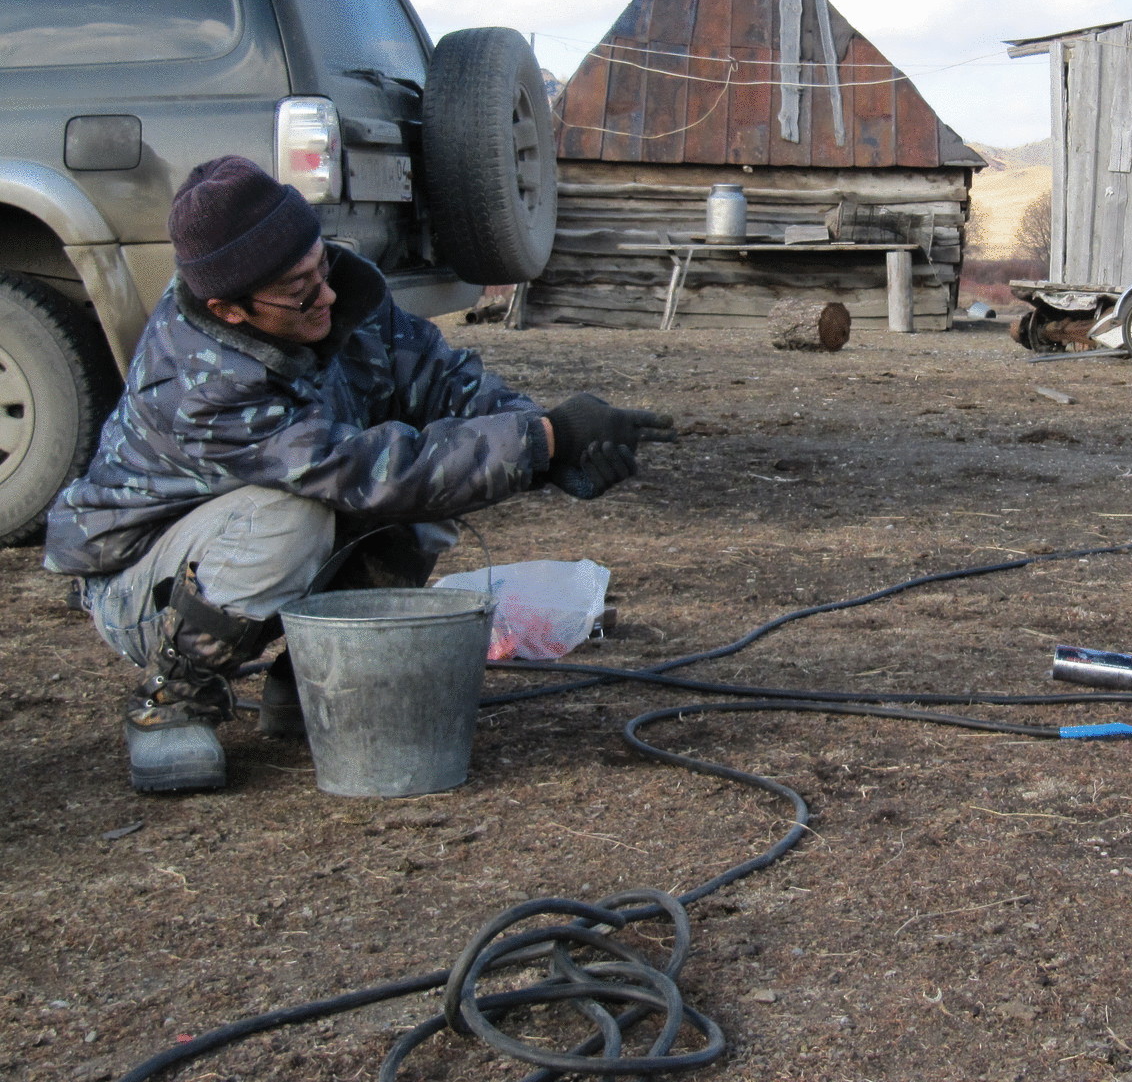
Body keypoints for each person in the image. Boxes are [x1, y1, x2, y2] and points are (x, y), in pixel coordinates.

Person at [43, 155, 674, 793]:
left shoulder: (332, 295)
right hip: (142, 587)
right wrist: (545, 439)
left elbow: (440, 380)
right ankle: (171, 700)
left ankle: (311, 683)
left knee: (421, 495)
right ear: (229, 310)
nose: (329, 295)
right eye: (299, 291)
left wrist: (547, 448)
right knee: (293, 516)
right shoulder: (201, 383)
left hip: (243, 549)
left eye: (321, 266)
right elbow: (368, 471)